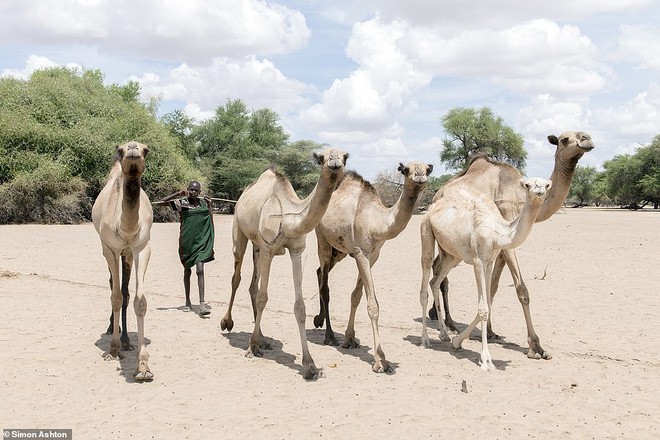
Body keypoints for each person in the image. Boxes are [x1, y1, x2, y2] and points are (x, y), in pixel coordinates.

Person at [155, 181, 215, 316]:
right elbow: (160, 203)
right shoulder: (181, 203)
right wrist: (177, 194)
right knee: (187, 271)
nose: (193, 192)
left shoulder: (204, 203)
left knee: (200, 270)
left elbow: (210, 219)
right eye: (190, 190)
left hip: (201, 242)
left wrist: (210, 205)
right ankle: (187, 301)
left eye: (195, 190)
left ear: (199, 192)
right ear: (187, 190)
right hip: (187, 242)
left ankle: (201, 304)